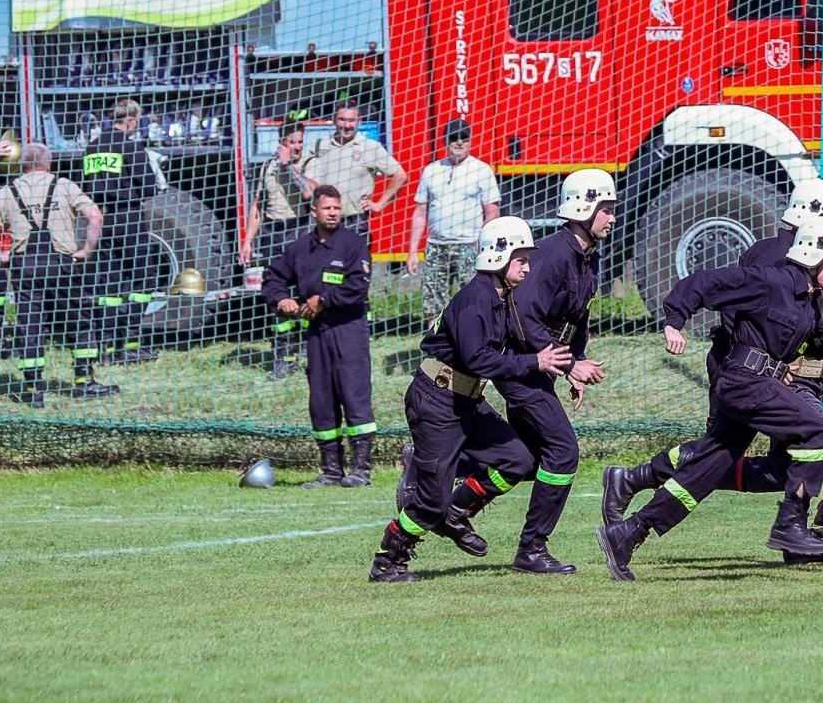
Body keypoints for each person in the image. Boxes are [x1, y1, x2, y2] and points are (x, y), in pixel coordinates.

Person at [601, 213, 823, 566]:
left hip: (759, 383)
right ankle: (792, 525)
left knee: (703, 473)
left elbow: (800, 345)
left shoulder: (811, 297)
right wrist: (673, 322)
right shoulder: (769, 280)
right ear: (813, 256)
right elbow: (704, 283)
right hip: (744, 383)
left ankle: (629, 532)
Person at [370, 216, 573, 582]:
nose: (528, 267)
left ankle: (456, 510)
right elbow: (478, 358)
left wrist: (568, 364)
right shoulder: (476, 299)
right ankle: (388, 560)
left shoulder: (500, 296)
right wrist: (536, 361)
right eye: (521, 259)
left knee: (518, 459)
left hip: (467, 401)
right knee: (430, 502)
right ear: (498, 257)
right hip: (437, 401)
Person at [478, 168, 615, 574]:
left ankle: (448, 491)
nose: (611, 217)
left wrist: (574, 363)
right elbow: (522, 313)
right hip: (518, 366)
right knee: (563, 452)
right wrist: (569, 363)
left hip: (543, 366)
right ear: (582, 209)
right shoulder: (553, 254)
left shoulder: (589, 256)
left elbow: (577, 319)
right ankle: (532, 549)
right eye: (605, 209)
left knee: (524, 457)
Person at [0, 144, 118, 407]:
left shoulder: (8, 191)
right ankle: (83, 382)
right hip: (62, 264)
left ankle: (33, 389)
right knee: (79, 321)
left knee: (30, 327)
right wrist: (86, 251)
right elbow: (95, 216)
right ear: (49, 163)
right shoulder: (64, 185)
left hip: (25, 266)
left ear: (22, 164)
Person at [262, 186, 377, 488]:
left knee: (354, 395)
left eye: (337, 208)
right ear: (314, 211)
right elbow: (273, 277)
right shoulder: (301, 248)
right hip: (317, 333)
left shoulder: (353, 244)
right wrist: (280, 300)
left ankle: (361, 469)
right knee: (322, 401)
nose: (333, 213)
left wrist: (324, 299)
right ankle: (330, 471)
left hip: (348, 330)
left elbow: (358, 286)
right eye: (327, 208)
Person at [233, 120, 316, 378]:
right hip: (273, 233)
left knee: (303, 293)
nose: (297, 147)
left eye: (300, 142)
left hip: (299, 230)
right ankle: (282, 355)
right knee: (278, 294)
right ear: (282, 142)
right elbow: (257, 206)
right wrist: (247, 241)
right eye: (292, 142)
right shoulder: (267, 166)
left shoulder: (307, 163)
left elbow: (307, 194)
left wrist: (288, 165)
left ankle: (306, 349)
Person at [82, 98, 161, 365]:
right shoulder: (130, 145)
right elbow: (150, 186)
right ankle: (130, 344)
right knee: (143, 281)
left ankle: (106, 348)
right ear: (130, 120)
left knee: (108, 285)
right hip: (128, 217)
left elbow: (86, 185)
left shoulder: (91, 148)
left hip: (101, 219)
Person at [406, 118, 500, 331]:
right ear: (444, 141)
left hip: (469, 246)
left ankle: (475, 346)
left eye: (463, 138)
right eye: (453, 138)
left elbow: (492, 211)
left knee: (474, 301)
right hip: (436, 246)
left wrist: (482, 243)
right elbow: (420, 212)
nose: (459, 142)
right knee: (433, 305)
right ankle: (436, 352)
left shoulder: (481, 170)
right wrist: (413, 251)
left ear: (470, 140)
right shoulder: (431, 170)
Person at [300, 101, 406, 246]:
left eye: (351, 120)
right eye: (342, 119)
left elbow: (399, 175)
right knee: (322, 267)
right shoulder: (318, 146)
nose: (347, 125)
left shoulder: (370, 147)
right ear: (333, 119)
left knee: (353, 267)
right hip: (322, 223)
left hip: (354, 222)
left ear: (359, 121)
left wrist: (379, 204)